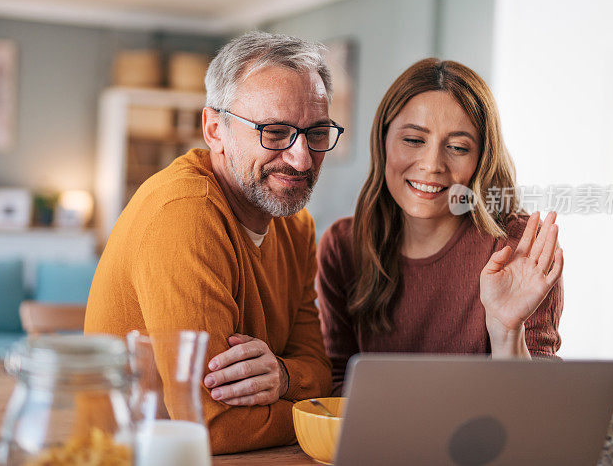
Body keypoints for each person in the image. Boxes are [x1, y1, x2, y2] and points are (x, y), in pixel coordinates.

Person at [85, 32, 341, 453]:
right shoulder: (185, 212)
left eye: (317, 133)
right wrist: (322, 414)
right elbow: (212, 426)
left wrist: (284, 375)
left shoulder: (297, 225)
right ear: (214, 129)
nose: (301, 158)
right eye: (274, 133)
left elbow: (316, 366)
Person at [316, 58, 564, 395]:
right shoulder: (343, 246)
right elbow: (333, 388)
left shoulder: (517, 249)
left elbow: (538, 410)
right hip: (375, 445)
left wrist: (508, 332)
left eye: (458, 147)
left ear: (481, 159)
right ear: (383, 139)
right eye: (414, 140)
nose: (432, 165)